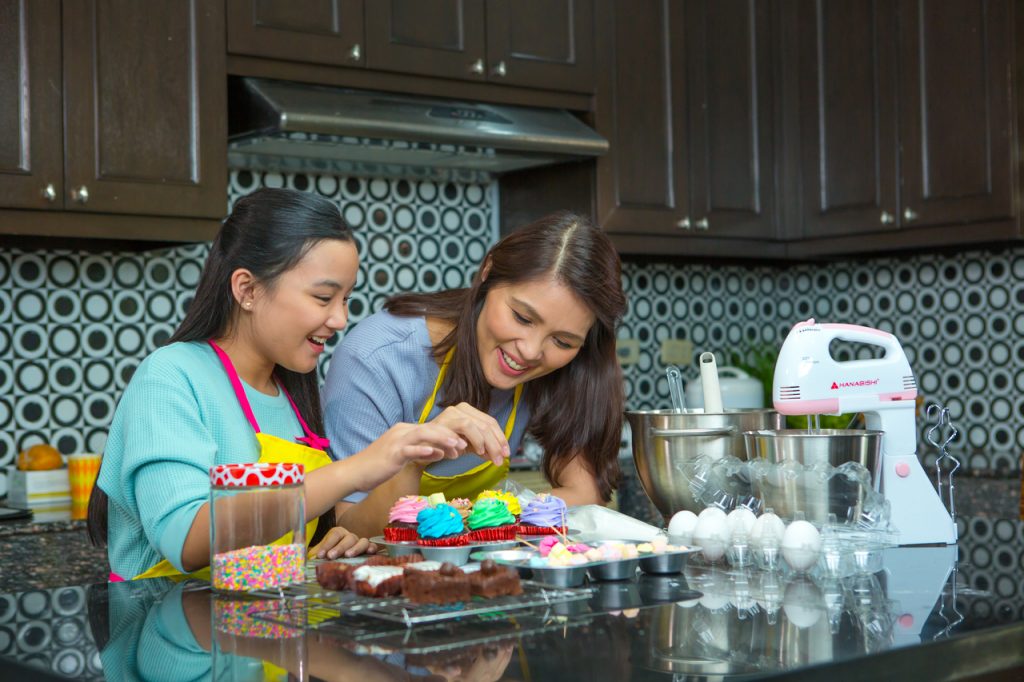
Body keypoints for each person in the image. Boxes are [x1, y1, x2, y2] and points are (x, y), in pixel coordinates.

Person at [88, 188, 467, 581]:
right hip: (168, 630)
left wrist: (346, 537)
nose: (340, 319)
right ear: (247, 290)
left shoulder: (292, 391)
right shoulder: (170, 376)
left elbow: (298, 538)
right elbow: (187, 540)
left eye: (346, 299)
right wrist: (353, 470)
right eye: (324, 297)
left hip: (263, 632)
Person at [323, 211, 627, 538]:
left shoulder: (566, 366)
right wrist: (417, 457)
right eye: (522, 318)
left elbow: (584, 493)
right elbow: (350, 525)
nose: (530, 351)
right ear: (488, 272)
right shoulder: (378, 357)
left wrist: (484, 519)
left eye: (562, 341)